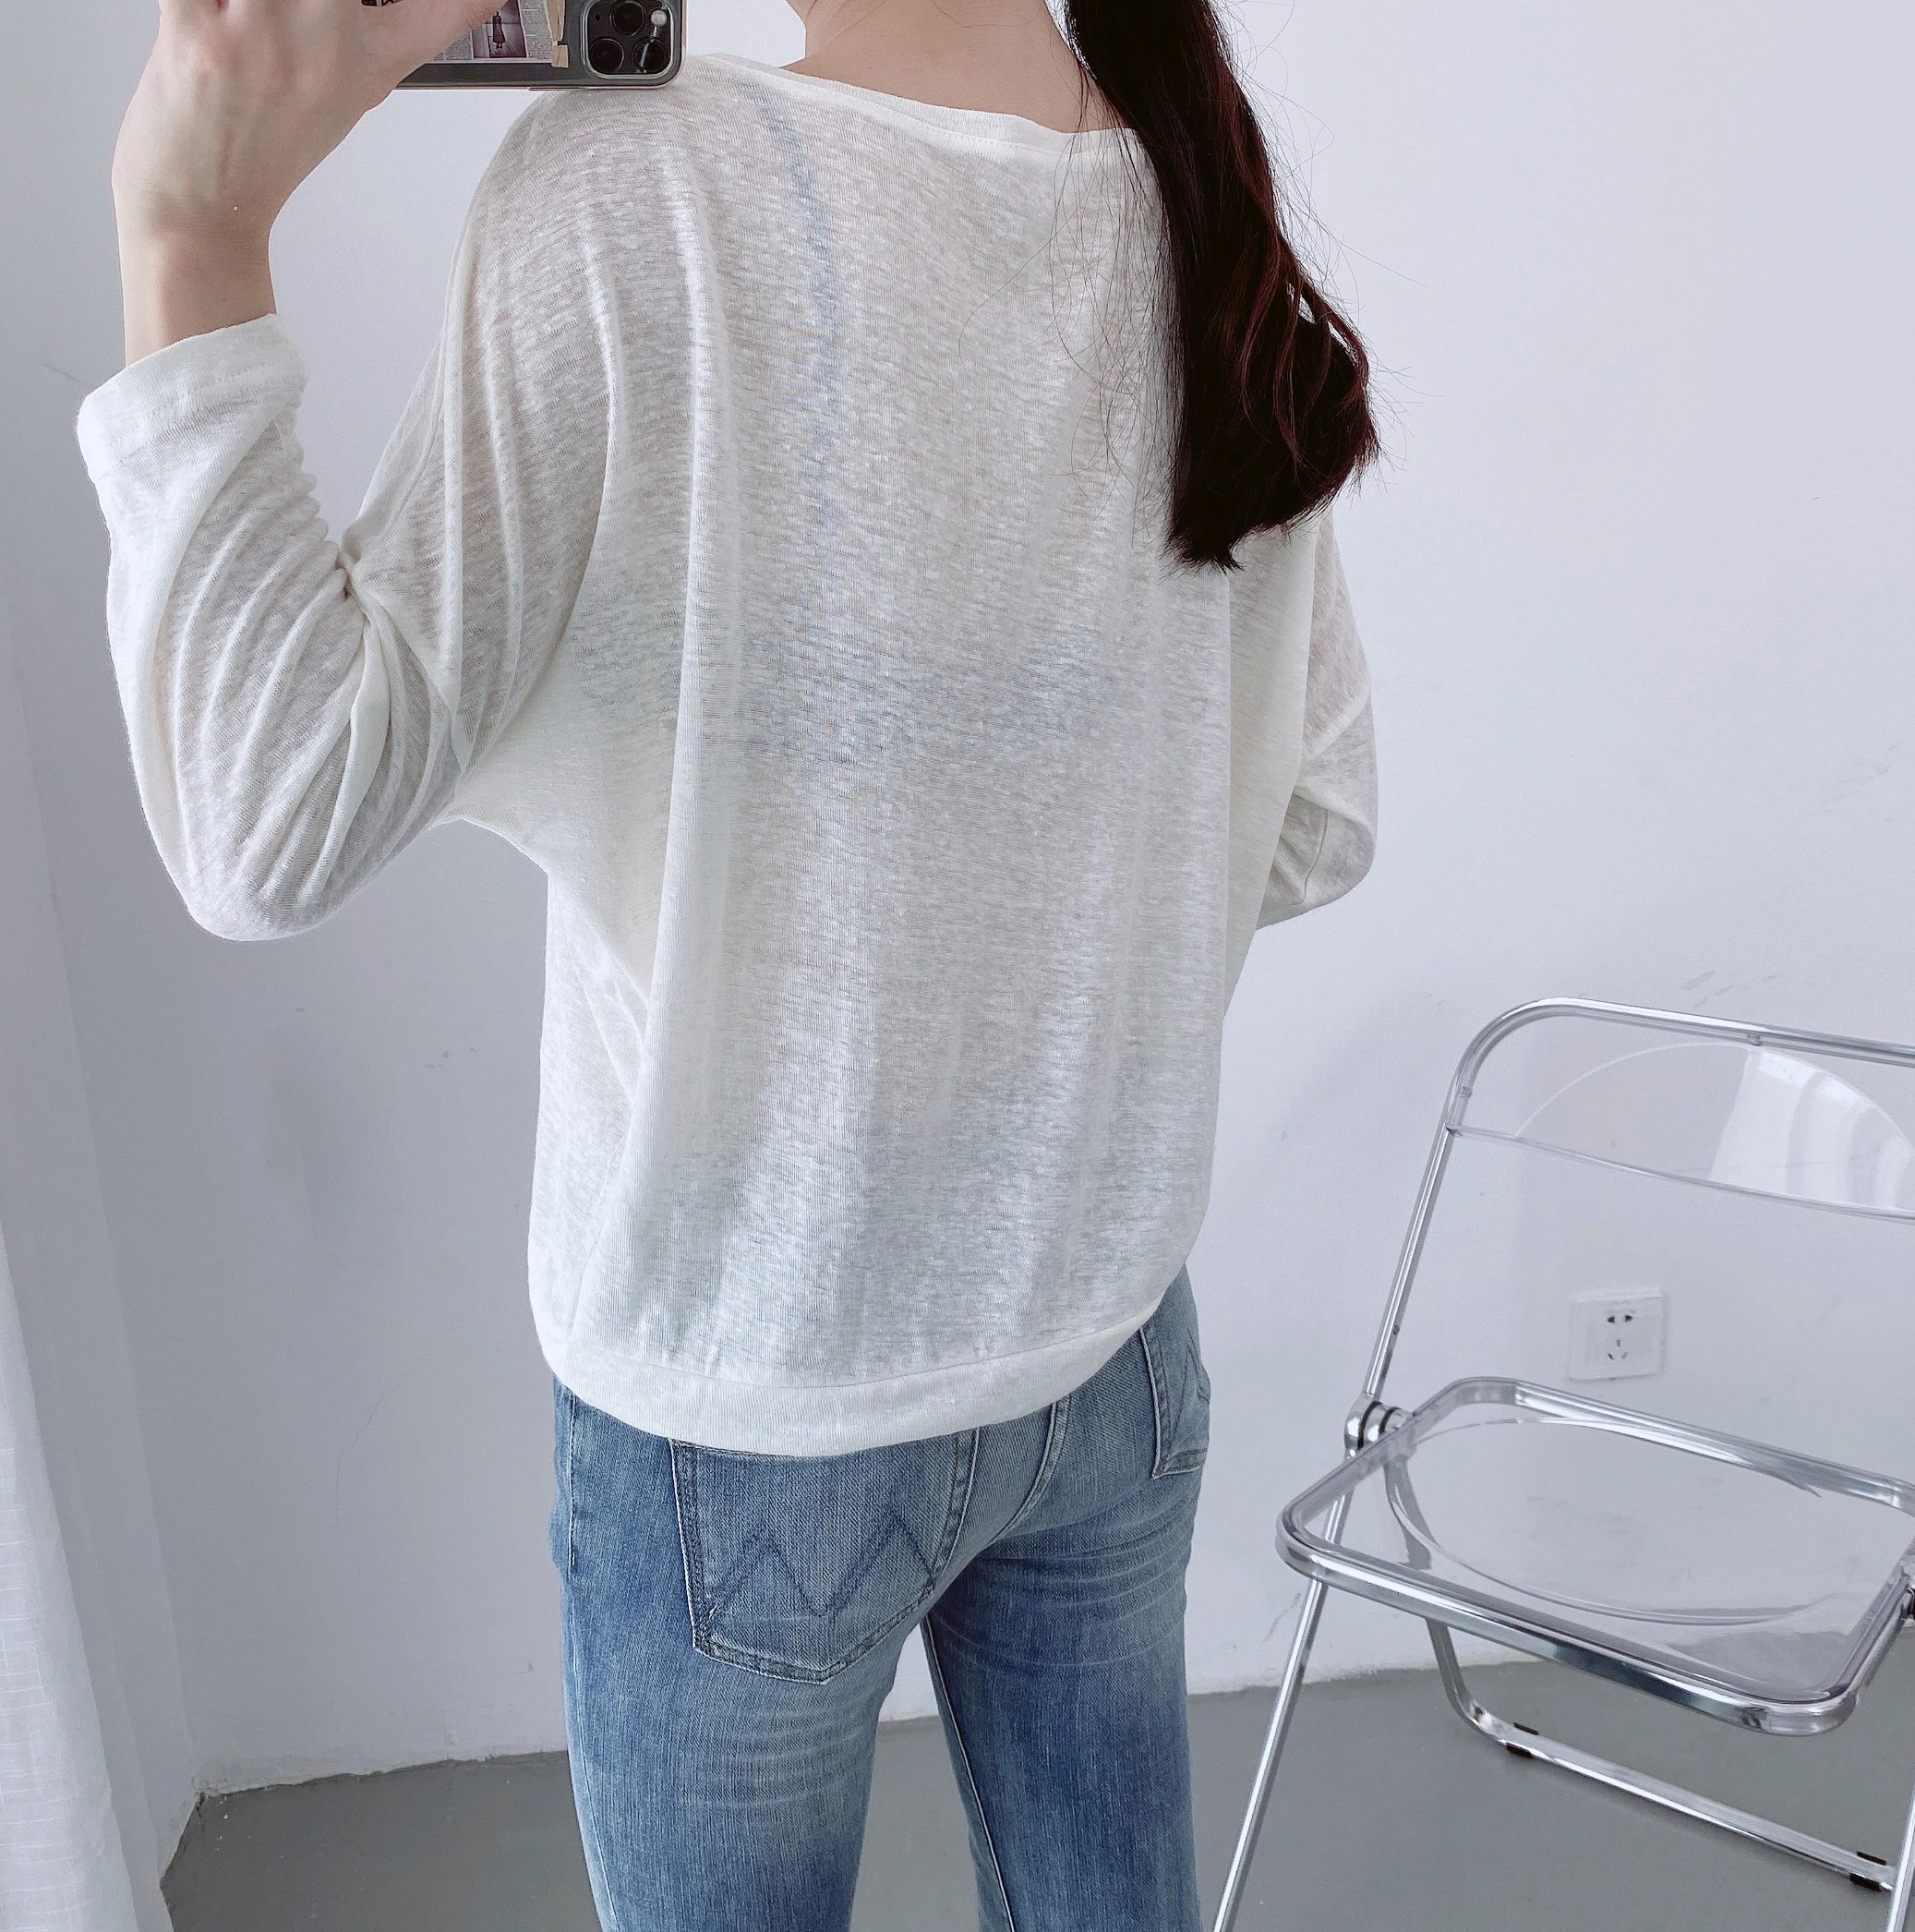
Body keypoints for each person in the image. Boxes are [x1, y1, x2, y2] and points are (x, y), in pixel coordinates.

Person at [79, 0, 1381, 1920]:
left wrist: (188, 238)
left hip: (746, 1381)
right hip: (1105, 1335)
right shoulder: (1191, 188)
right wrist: (1051, 899)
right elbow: (1313, 816)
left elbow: (262, 817)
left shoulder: (634, 187)